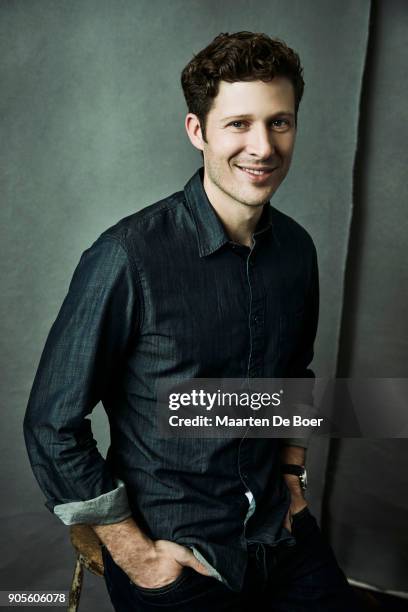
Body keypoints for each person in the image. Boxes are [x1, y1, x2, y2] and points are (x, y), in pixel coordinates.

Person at [24, 31, 360, 611]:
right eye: (238, 124)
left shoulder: (298, 251)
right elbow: (52, 426)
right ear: (197, 131)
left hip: (279, 535)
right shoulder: (128, 256)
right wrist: (139, 558)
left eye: (279, 122)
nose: (263, 146)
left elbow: (294, 375)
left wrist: (292, 478)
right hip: (176, 552)